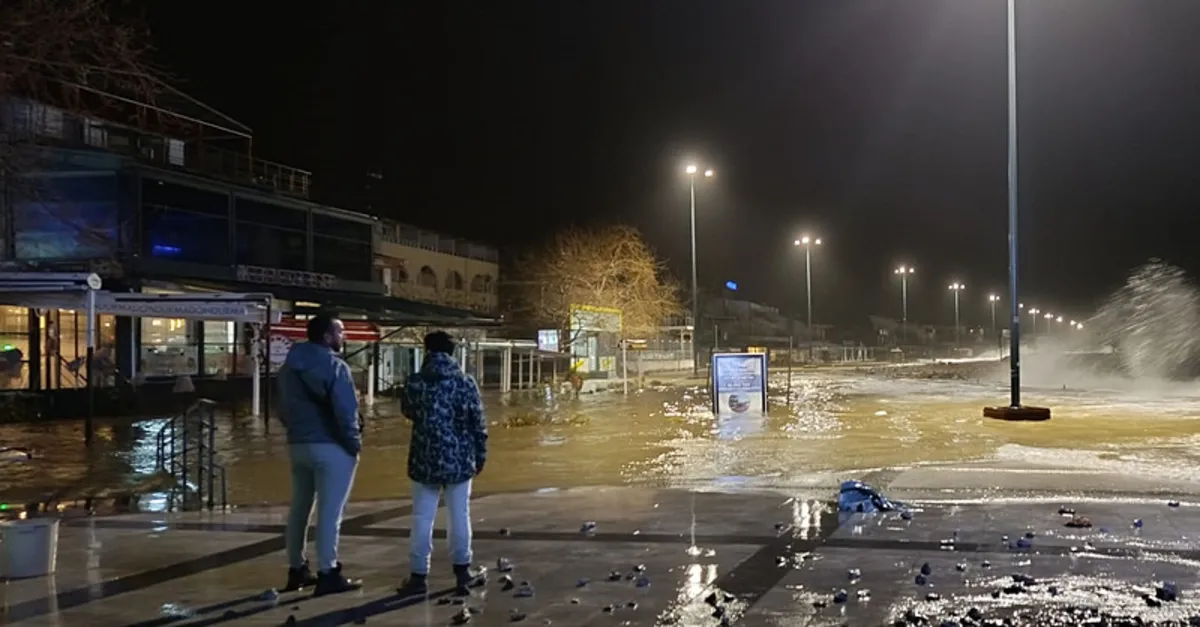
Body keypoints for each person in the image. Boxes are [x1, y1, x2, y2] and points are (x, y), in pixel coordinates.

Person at [277, 315, 363, 596]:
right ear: (327, 336)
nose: (344, 336)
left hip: (298, 444)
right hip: (330, 447)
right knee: (330, 513)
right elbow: (346, 412)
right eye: (340, 331)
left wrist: (297, 432)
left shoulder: (288, 368)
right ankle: (328, 572)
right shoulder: (336, 367)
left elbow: (282, 409)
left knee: (300, 508)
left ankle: (297, 569)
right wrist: (353, 445)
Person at [397, 331, 488, 597]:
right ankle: (462, 572)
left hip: (424, 458)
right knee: (459, 515)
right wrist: (480, 455)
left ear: (426, 351)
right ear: (452, 352)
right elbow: (478, 423)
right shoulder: (465, 382)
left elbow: (407, 411)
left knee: (422, 517)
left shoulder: (415, 382)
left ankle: (418, 576)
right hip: (459, 459)